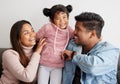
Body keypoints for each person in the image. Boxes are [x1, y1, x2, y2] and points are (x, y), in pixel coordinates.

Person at [62, 12, 120, 84]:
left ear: (92, 34)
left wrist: (73, 55)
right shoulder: (72, 45)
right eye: (75, 28)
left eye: (78, 29)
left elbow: (93, 67)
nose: (74, 32)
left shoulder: (111, 51)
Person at [36, 4, 73, 84]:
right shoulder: (47, 27)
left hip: (58, 65)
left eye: (64, 17)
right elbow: (37, 37)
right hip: (44, 64)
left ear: (68, 17)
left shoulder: (69, 30)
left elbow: (76, 37)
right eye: (57, 19)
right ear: (52, 20)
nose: (62, 21)